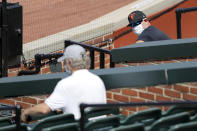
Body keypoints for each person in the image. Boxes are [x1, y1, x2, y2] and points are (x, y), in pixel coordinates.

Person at [21, 44, 107, 122]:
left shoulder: (65, 84)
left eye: (65, 61)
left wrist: (26, 112)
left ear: (70, 62)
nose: (64, 65)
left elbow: (44, 109)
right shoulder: (97, 80)